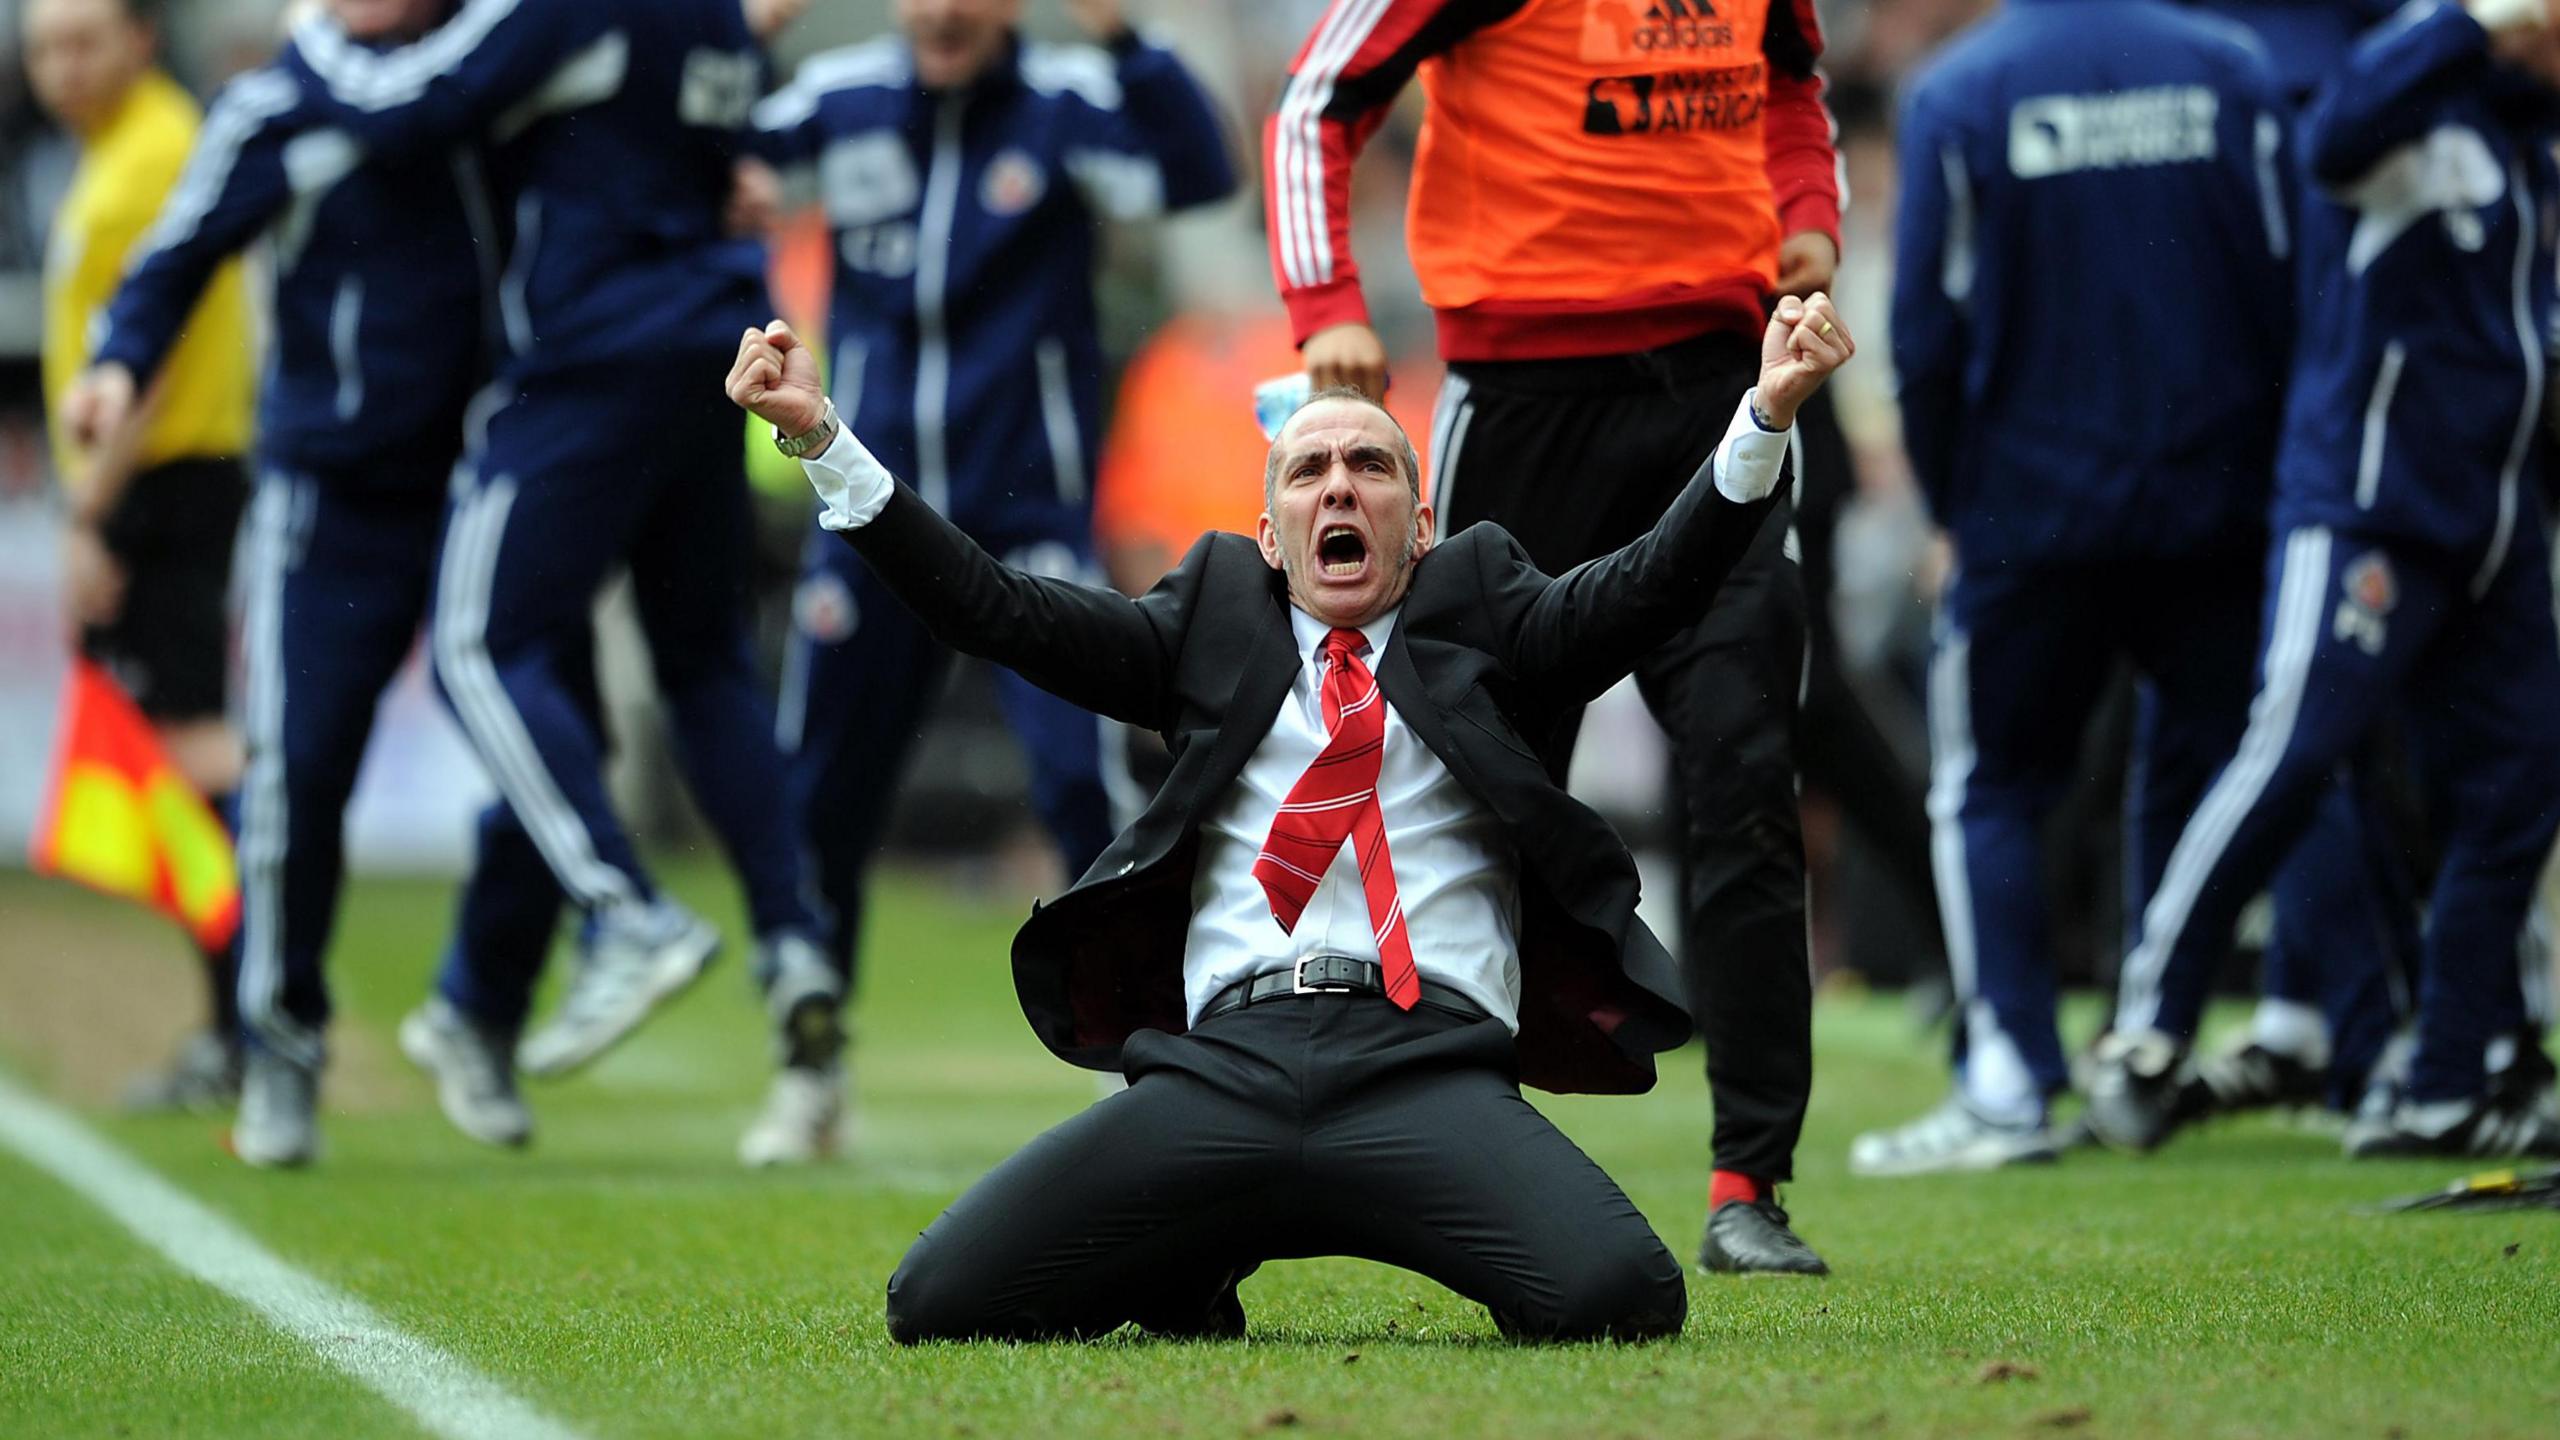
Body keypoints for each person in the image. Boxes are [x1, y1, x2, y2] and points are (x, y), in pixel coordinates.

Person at [728, 288, 1850, 1341]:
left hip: (1424, 1065)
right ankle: (1207, 1229)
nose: (1338, 487)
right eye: (1307, 471)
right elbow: (996, 609)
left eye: (1370, 466)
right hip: (1226, 1068)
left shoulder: (1484, 617)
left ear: (1418, 524)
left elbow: (1652, 582)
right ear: (1272, 537)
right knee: (936, 1301)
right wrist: (822, 439)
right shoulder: (1211, 623)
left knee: (1619, 1293)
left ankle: (1215, 1231)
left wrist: (1765, 415)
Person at [1266, 0, 1844, 1278]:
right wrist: (1325, 307)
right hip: (1521, 403)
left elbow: (1794, 81)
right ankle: (1430, 1129)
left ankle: (1750, 1182)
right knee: (1473, 784)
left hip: (1718, 392)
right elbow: (1318, 98)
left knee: (1747, 781)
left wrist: (1808, 204)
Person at [1862, 0, 2410, 1173]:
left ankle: (2011, 1082)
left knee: (1993, 787)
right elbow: (2295, 288)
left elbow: (1923, 331)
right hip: (2214, 502)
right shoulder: (2231, 68)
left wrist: (1955, 503)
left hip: (2028, 516)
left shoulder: (1962, 90)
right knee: (2278, 771)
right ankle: (2357, 1057)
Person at [274, 0, 837, 1122]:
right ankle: (789, 940)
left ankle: (623, 914)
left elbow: (411, 106)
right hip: (705, 363)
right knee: (687, 668)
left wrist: (314, 34)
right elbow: (713, 144)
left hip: (584, 368)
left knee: (481, 652)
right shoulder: (718, 20)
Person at [57, 0, 578, 1165]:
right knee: (301, 772)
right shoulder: (274, 104)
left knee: (556, 745)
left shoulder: (504, 85)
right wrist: (116, 362)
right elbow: (175, 254)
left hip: (488, 478)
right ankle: (281, 1043)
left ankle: (481, 1010)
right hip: (328, 500)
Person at [739, 0, 1235, 1165]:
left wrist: (1126, 40)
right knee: (822, 800)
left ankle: (1138, 1055)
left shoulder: (1068, 107)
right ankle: (808, 1070)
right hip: (866, 521)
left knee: (1083, 790)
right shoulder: (838, 101)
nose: (944, 10)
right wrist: (743, 41)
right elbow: (692, 155)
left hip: (1027, 530)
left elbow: (1196, 173)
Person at [2085, 0, 2560, 1160]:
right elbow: (2332, 134)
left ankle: (2450, 1075)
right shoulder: (2400, 88)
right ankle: (2146, 1029)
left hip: (2496, 523)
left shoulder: (2525, 138)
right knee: (2289, 757)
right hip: (2365, 510)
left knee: (2515, 785)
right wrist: (2471, 22)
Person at [29, 0, 255, 1114]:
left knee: (197, 752)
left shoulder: (155, 155)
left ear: (139, 38)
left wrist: (89, 517)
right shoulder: (120, 153)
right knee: (181, 755)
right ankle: (246, 1019)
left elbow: (146, 361)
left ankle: (254, 1019)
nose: (59, 67)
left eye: (82, 40)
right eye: (40, 47)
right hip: (155, 484)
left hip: (165, 485)